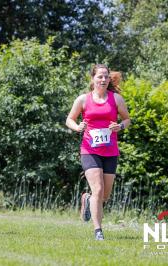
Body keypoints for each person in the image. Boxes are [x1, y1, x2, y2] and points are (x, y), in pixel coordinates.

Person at [66, 64, 131, 241]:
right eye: (99, 76)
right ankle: (98, 231)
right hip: (89, 150)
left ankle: (87, 200)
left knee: (105, 195)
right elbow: (69, 119)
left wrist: (120, 126)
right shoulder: (83, 100)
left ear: (109, 79)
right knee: (98, 188)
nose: (103, 79)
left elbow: (127, 119)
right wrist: (77, 127)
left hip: (110, 151)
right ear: (93, 79)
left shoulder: (116, 99)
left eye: (106, 77)